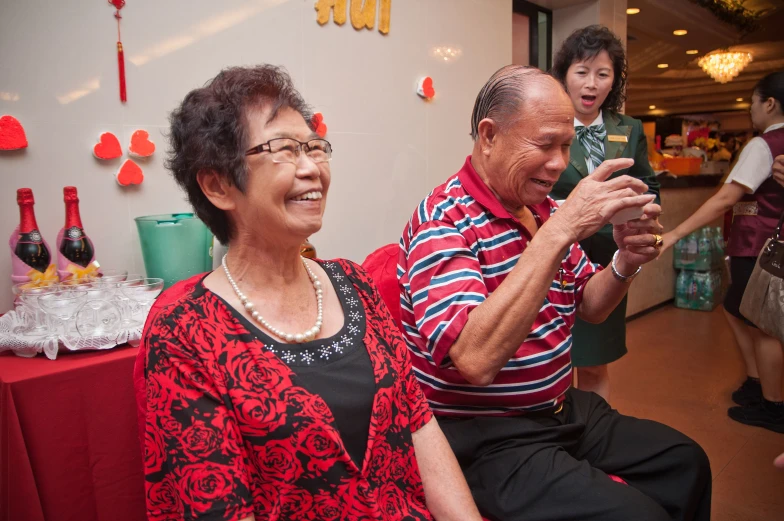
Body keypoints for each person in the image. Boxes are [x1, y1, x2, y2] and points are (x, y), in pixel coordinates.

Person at [141, 64, 482, 521]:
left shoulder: (354, 283)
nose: (312, 169)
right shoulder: (184, 331)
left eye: (314, 147)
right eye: (283, 150)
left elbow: (420, 426)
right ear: (218, 185)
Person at [398, 65, 711, 521]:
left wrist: (625, 262)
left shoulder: (542, 210)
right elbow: (475, 360)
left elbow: (590, 306)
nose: (560, 164)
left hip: (560, 410)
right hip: (484, 434)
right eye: (545, 144)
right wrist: (561, 230)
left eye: (566, 146)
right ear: (488, 136)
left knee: (686, 462)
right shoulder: (442, 219)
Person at [662, 72, 784, 434]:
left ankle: (774, 405)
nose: (750, 111)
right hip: (766, 245)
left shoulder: (765, 144)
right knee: (734, 307)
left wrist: (675, 233)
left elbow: (727, 198)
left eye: (751, 103)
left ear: (770, 104)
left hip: (759, 246)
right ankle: (755, 380)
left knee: (762, 326)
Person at [549, 25, 660, 401]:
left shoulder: (628, 128)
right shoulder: (548, 124)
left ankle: (593, 437)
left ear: (614, 81)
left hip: (608, 262)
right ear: (564, 76)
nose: (591, 83)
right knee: (551, 359)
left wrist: (641, 207)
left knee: (595, 362)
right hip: (556, 259)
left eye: (602, 73)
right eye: (581, 72)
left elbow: (648, 183)